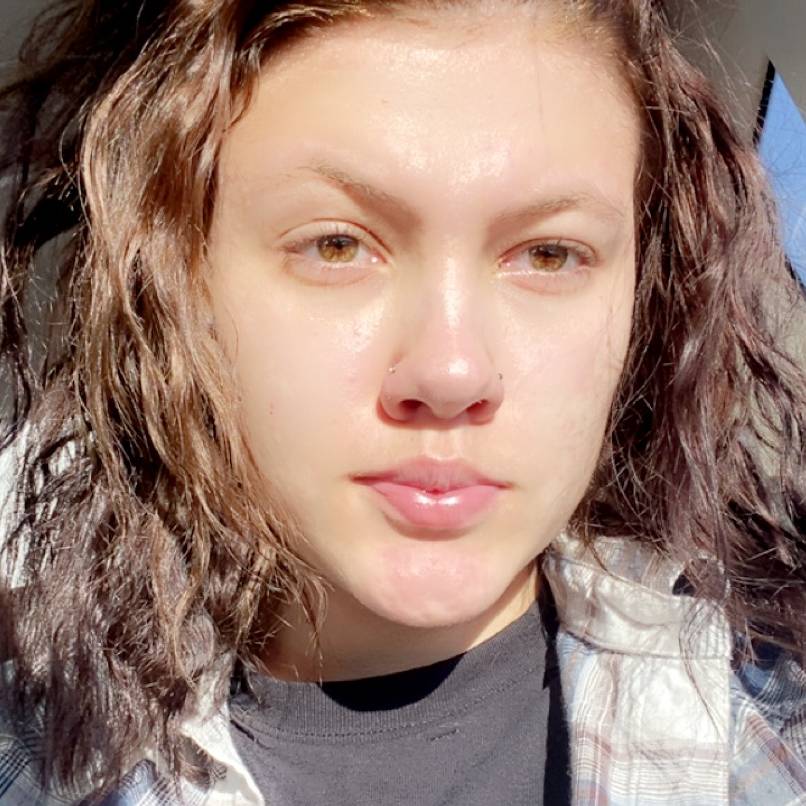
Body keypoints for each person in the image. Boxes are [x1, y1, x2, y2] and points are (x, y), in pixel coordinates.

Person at [0, 0, 804, 803]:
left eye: (549, 254)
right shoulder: (41, 767)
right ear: (187, 288)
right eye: (336, 245)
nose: (451, 373)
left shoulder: (772, 729)